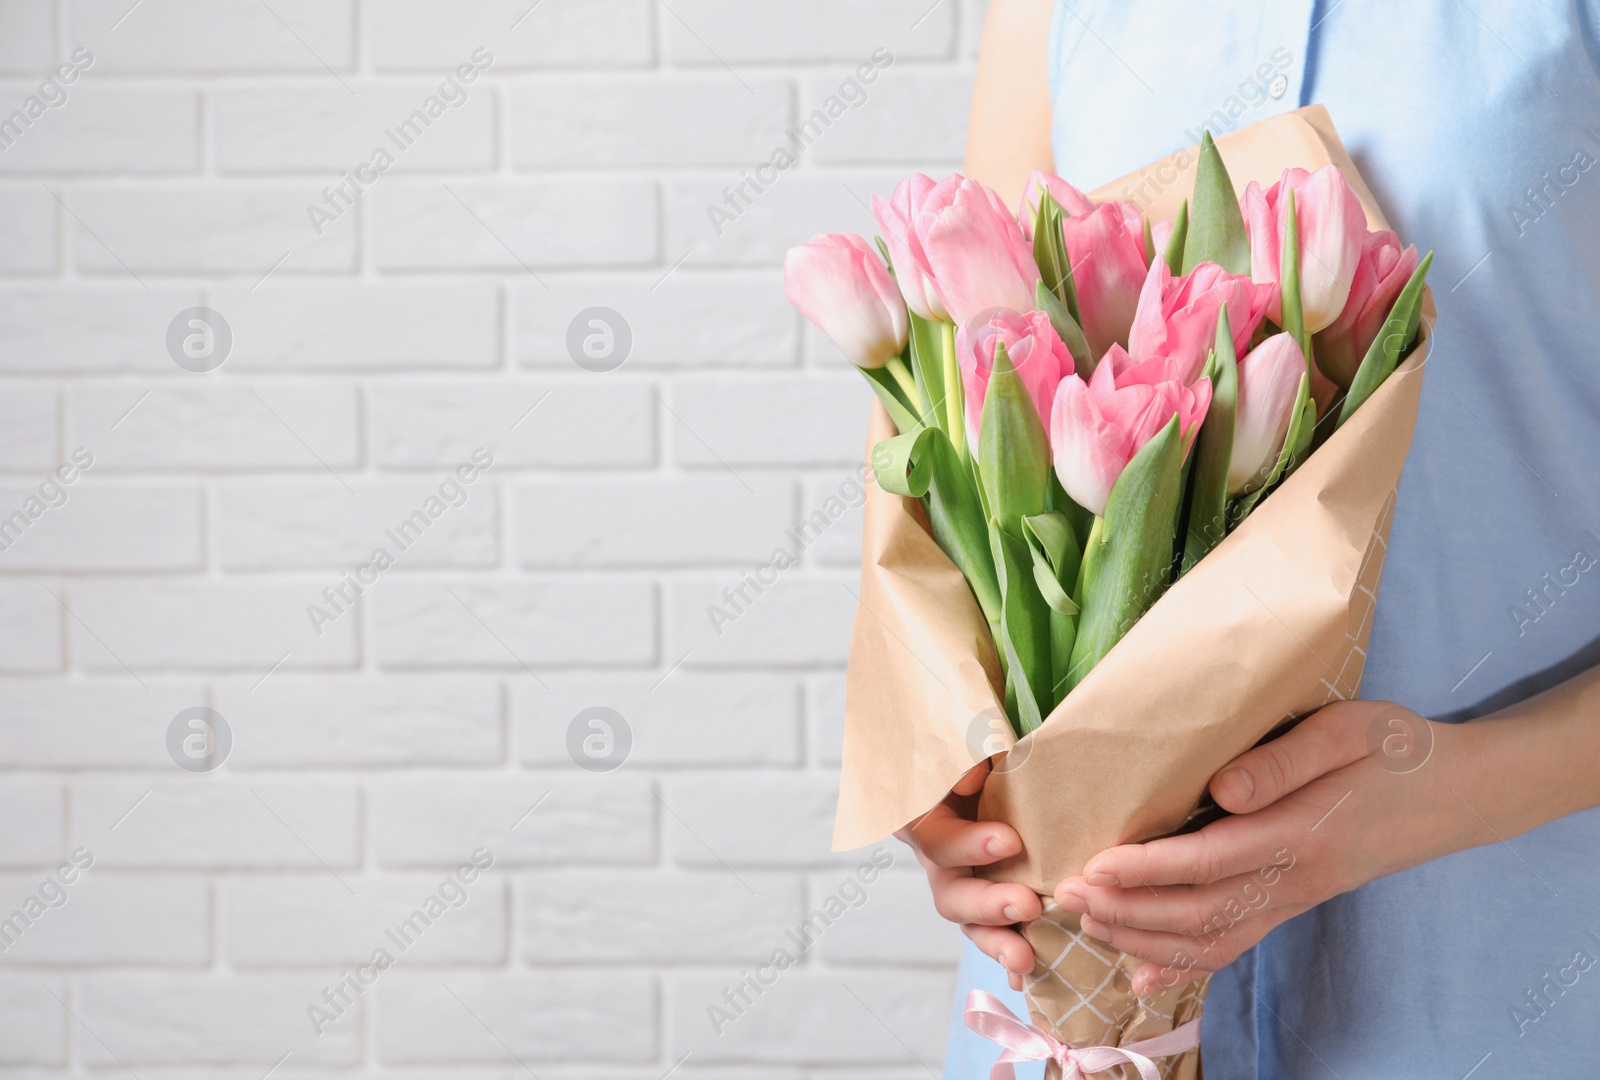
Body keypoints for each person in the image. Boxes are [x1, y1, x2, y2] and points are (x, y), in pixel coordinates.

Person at [906, 2, 1600, 1077]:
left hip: (1501, 979)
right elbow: (970, 394)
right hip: (1079, 1013)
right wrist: (947, 774)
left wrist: (1448, 785)